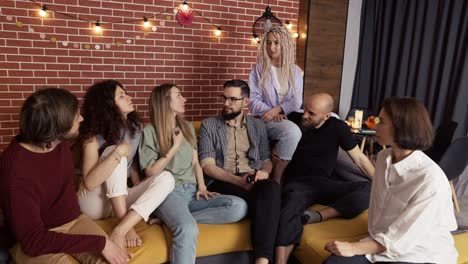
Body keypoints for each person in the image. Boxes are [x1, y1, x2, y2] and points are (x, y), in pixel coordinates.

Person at [0, 88, 129, 264]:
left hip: (74, 222)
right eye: (76, 117)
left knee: (115, 261)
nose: (81, 119)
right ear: (56, 128)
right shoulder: (14, 169)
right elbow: (33, 242)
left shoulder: (59, 144)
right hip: (34, 240)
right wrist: (100, 242)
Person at [323, 97, 458, 264]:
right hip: (383, 242)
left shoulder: (429, 180)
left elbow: (403, 239)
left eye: (382, 122)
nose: (374, 126)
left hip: (420, 254)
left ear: (402, 128)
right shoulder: (383, 158)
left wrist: (352, 248)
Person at [139, 83, 247, 264]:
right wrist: (173, 147)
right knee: (188, 228)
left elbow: (196, 162)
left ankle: (172, 221)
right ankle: (179, 221)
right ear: (164, 102)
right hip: (167, 193)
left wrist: (202, 186)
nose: (185, 99)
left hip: (192, 192)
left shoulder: (187, 127)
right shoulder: (150, 131)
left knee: (238, 206)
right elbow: (151, 172)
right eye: (179, 95)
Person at [275, 93, 375, 264]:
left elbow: (359, 158)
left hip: (326, 183)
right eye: (305, 109)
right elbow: (276, 152)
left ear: (326, 116)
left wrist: (383, 183)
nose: (304, 115)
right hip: (298, 184)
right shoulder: (292, 120)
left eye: (311, 113)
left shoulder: (338, 127)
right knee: (290, 207)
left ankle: (319, 215)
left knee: (371, 189)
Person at [77, 80, 174, 251]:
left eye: (126, 93)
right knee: (116, 152)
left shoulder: (135, 129)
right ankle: (126, 226)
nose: (129, 97)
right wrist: (118, 151)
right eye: (121, 96)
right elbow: (90, 183)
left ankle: (119, 230)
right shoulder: (91, 137)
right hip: (93, 203)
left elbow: (132, 165)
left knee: (167, 178)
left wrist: (138, 183)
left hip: (118, 199)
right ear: (108, 105)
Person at [198, 80, 281, 264]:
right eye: (224, 98)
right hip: (223, 180)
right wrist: (237, 181)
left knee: (272, 188)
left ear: (246, 102)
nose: (226, 103)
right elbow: (207, 165)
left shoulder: (257, 126)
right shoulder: (209, 125)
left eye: (232, 99)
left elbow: (266, 160)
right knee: (268, 205)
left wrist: (265, 173)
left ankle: (261, 261)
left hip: (252, 177)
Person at [249, 25, 303, 184]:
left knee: (332, 119)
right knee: (292, 132)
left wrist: (278, 109)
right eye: (268, 42)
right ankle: (277, 177)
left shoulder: (295, 71)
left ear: (285, 44)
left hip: (289, 114)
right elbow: (253, 101)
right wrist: (271, 113)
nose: (271, 47)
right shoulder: (259, 69)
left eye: (276, 43)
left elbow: (296, 101)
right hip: (265, 119)